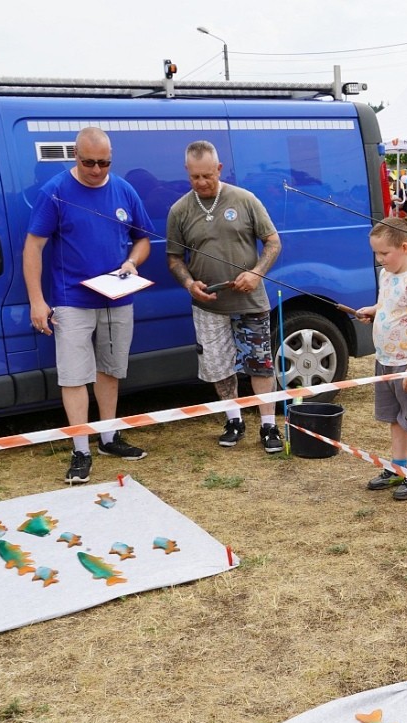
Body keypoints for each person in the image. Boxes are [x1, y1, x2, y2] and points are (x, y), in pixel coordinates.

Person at [23, 126, 153, 485]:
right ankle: (80, 449)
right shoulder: (55, 192)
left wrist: (132, 262)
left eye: (104, 163)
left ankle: (108, 437)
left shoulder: (124, 189)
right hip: (72, 299)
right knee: (74, 375)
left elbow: (143, 239)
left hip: (117, 296)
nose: (97, 170)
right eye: (89, 162)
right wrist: (37, 300)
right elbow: (33, 247)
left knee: (110, 369)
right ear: (75, 157)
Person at [166, 140, 284, 453]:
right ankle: (233, 420)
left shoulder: (245, 199)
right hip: (208, 305)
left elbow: (273, 242)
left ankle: (269, 425)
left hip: (250, 301)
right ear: (187, 172)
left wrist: (256, 273)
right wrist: (189, 284)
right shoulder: (179, 210)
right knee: (218, 367)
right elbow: (174, 258)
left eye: (207, 175)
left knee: (261, 364)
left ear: (219, 169)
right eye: (195, 177)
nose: (202, 182)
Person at [356, 218, 407, 501]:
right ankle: (398, 467)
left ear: (404, 248)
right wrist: (374, 310)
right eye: (376, 253)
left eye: (384, 253)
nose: (380, 259)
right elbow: (387, 305)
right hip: (385, 361)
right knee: (395, 419)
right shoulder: (387, 275)